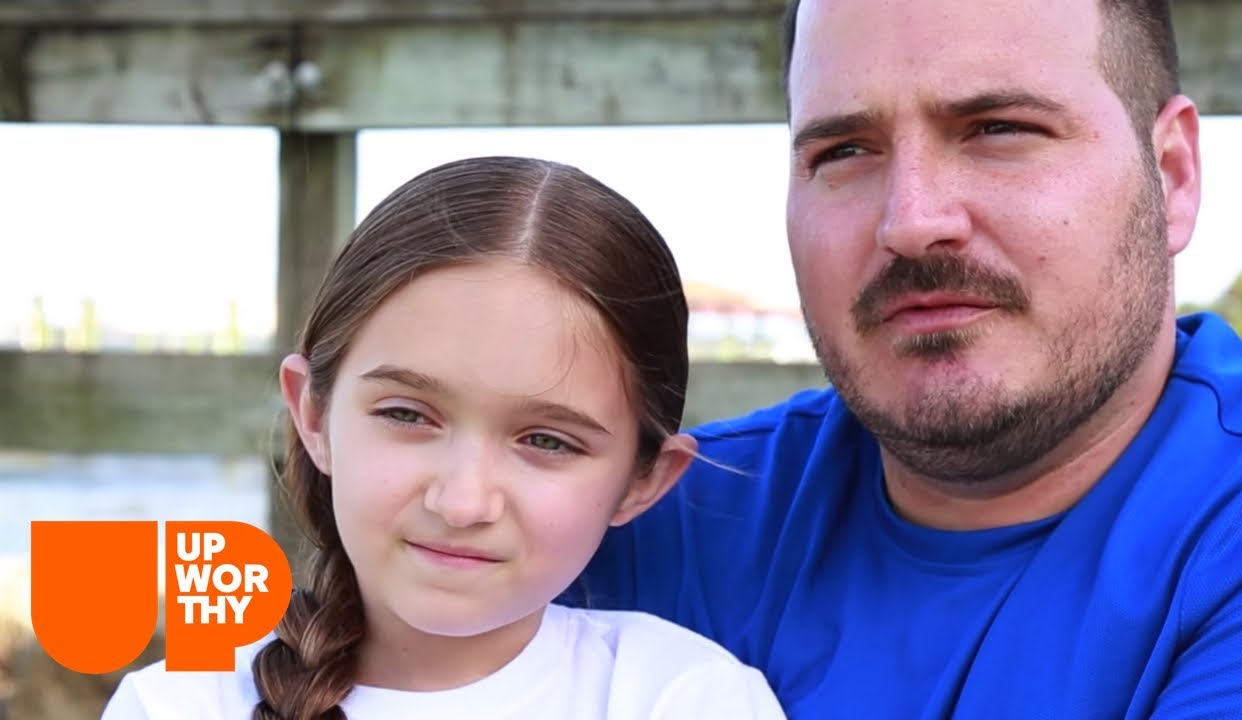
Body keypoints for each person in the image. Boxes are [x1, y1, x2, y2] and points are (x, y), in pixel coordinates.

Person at [574, 0, 1242, 717]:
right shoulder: (635, 523)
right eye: (843, 151)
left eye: (999, 129)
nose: (911, 222)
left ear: (1172, 175)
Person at [99, 156, 787, 720]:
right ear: (312, 414)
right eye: (407, 415)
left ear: (644, 480)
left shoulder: (684, 699)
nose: (462, 503)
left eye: (547, 442)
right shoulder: (173, 706)